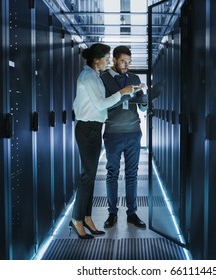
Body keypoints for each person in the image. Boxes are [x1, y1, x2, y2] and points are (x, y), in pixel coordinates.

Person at [71, 43, 135, 239]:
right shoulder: (88, 76)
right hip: (87, 129)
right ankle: (76, 219)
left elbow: (100, 105)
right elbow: (100, 105)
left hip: (94, 128)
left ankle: (87, 216)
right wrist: (122, 93)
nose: (108, 61)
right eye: (106, 58)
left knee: (89, 176)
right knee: (87, 176)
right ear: (96, 59)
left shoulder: (94, 76)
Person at [101, 46, 148, 229]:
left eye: (129, 61)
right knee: (112, 174)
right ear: (114, 60)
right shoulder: (103, 79)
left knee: (132, 174)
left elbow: (142, 108)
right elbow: (101, 106)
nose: (126, 65)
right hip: (112, 133)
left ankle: (132, 213)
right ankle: (112, 213)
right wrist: (124, 94)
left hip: (134, 132)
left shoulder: (135, 78)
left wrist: (144, 102)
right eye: (123, 61)